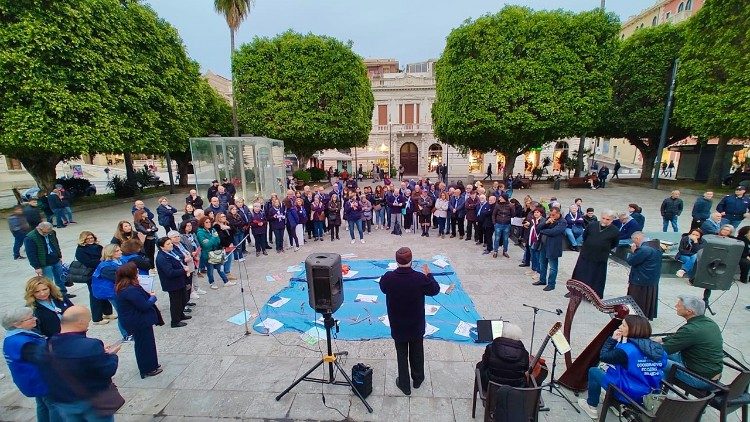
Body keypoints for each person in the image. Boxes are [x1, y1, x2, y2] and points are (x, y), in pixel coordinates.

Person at [40, 305, 122, 421]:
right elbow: (108, 370)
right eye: (87, 322)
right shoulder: (91, 345)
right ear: (81, 322)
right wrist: (111, 355)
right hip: (93, 402)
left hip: (65, 401)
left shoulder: (47, 345)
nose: (88, 325)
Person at [577, 315, 667, 419]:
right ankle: (611, 404)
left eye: (623, 325)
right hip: (650, 393)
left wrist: (613, 339)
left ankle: (591, 406)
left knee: (594, 371)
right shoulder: (659, 350)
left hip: (627, 393)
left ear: (633, 329)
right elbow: (661, 366)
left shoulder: (626, 350)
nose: (620, 327)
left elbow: (604, 356)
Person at [379, 247, 440, 396]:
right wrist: (429, 275)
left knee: (401, 354)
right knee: (417, 352)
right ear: (411, 261)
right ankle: (417, 379)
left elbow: (383, 287)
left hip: (398, 324)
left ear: (396, 261)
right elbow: (435, 289)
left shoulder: (389, 277)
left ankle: (405, 385)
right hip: (415, 324)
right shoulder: (419, 278)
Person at [659, 295, 724, 389]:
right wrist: (661, 339)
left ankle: (657, 395)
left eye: (679, 305)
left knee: (653, 360)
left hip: (700, 379)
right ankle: (662, 390)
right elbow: (682, 336)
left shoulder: (690, 329)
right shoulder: (709, 323)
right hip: (709, 372)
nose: (675, 306)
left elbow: (662, 350)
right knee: (663, 355)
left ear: (689, 311)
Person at [3, 307, 52, 421]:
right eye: (30, 318)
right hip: (41, 381)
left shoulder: (13, 337)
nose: (35, 318)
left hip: (31, 381)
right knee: (53, 406)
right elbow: (44, 358)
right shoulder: (23, 342)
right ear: (17, 324)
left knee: (42, 405)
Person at [115, 262, 163, 377]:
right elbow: (144, 305)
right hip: (138, 322)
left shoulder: (126, 286)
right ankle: (147, 369)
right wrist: (152, 298)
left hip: (138, 320)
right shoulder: (129, 290)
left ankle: (152, 365)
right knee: (144, 345)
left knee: (147, 344)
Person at [571, 211, 619, 298]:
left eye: (607, 219)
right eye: (603, 218)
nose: (604, 221)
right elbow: (585, 236)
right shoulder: (592, 225)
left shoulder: (615, 230)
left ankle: (593, 296)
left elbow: (614, 244)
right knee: (580, 273)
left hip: (600, 257)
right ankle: (575, 291)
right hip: (586, 254)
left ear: (612, 220)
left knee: (596, 277)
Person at [75, 231, 115, 325]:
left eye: (91, 238)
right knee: (94, 295)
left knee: (104, 292)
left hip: (101, 272)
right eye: (87, 239)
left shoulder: (98, 247)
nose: (90, 240)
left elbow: (105, 255)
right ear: (83, 240)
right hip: (91, 275)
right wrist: (101, 261)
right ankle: (97, 318)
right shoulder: (81, 250)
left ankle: (107, 312)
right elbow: (88, 262)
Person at [475, 323, 530, 390]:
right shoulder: (524, 354)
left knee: (479, 365)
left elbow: (485, 363)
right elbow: (526, 369)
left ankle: (479, 388)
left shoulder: (491, 348)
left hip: (491, 386)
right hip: (515, 388)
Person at [92, 244, 129, 340]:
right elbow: (117, 279)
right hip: (113, 292)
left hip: (122, 290)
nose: (120, 252)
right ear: (110, 253)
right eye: (117, 251)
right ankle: (126, 334)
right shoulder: (106, 266)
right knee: (122, 312)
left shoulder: (121, 260)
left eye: (119, 250)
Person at [24, 222, 71, 299]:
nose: (47, 233)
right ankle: (52, 296)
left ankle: (63, 293)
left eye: (49, 231)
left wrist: (59, 256)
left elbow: (56, 244)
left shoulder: (51, 233)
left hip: (55, 259)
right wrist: (36, 267)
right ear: (39, 228)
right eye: (45, 232)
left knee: (60, 278)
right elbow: (31, 254)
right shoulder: (30, 238)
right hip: (44, 263)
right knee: (48, 282)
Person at [155, 237, 191, 328]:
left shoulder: (171, 252)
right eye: (168, 244)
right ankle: (175, 321)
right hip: (172, 284)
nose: (171, 245)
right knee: (176, 302)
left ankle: (181, 315)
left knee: (183, 299)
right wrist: (183, 270)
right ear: (162, 247)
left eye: (171, 243)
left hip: (179, 280)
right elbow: (170, 272)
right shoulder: (162, 257)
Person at [626, 232, 662, 320]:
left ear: (637, 239)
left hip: (640, 279)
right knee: (647, 300)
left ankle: (636, 317)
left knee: (637, 300)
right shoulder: (657, 247)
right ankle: (645, 316)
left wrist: (633, 251)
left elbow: (631, 261)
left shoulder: (644, 249)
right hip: (652, 279)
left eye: (633, 240)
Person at [533, 207, 566, 291]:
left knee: (553, 267)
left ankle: (551, 284)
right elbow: (538, 228)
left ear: (558, 213)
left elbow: (554, 232)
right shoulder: (549, 219)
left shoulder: (562, 222)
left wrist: (543, 231)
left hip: (553, 247)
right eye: (550, 214)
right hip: (544, 245)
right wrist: (546, 223)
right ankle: (542, 280)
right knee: (542, 263)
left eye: (553, 215)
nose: (552, 216)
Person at [196, 216, 232, 289]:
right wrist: (213, 238)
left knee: (219, 268)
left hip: (216, 251)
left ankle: (226, 281)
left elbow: (218, 240)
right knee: (210, 269)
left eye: (209, 222)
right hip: (207, 254)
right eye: (206, 222)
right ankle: (212, 283)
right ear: (202, 223)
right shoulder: (200, 233)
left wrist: (212, 240)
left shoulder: (212, 230)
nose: (209, 223)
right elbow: (206, 245)